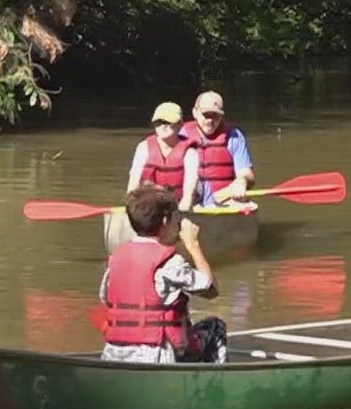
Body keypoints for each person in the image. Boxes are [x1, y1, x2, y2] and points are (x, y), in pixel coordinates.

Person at [98, 184, 228, 363]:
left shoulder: (115, 259)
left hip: (113, 354)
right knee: (215, 326)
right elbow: (211, 289)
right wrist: (193, 245)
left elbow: (105, 299)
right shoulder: (169, 262)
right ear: (166, 222)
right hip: (156, 356)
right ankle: (212, 384)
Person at [178, 91, 255, 211]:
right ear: (195, 112)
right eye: (205, 114)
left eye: (215, 115)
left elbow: (246, 172)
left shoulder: (234, 136)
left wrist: (242, 181)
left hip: (223, 201)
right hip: (189, 200)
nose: (210, 120)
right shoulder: (180, 134)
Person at [124, 102, 191, 197]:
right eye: (158, 123)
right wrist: (131, 203)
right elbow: (133, 184)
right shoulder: (143, 148)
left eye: (168, 122)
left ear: (180, 124)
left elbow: (191, 184)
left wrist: (185, 204)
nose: (163, 126)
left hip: (179, 203)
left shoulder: (190, 152)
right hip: (151, 202)